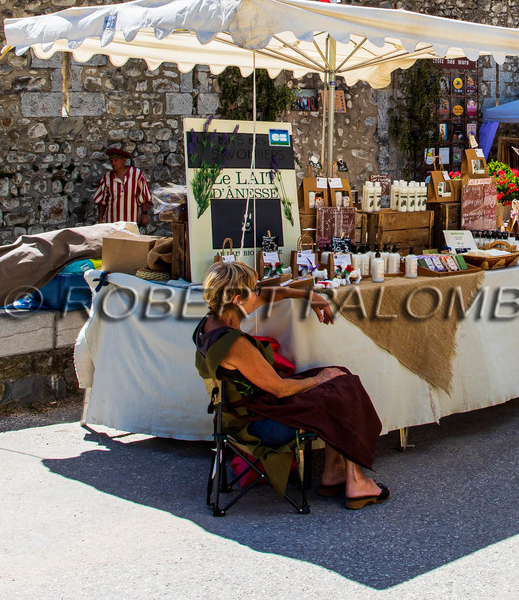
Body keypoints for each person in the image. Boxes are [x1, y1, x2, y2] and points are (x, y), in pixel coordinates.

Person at [192, 259, 388, 509]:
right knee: (341, 385)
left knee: (339, 377)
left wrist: (309, 295)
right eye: (253, 290)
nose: (258, 294)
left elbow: (272, 293)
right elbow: (280, 389)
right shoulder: (234, 344)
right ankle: (355, 481)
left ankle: (334, 472)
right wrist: (319, 379)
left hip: (241, 410)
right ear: (237, 299)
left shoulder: (211, 321)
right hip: (259, 424)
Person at [94, 145, 151, 227]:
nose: (113, 163)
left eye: (116, 160)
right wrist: (100, 220)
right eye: (111, 161)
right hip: (112, 222)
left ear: (123, 161)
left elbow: (143, 196)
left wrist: (144, 214)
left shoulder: (136, 174)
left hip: (131, 221)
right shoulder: (107, 177)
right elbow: (101, 200)